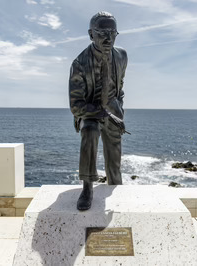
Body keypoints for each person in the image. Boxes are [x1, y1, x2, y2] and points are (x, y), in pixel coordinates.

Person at [69, 11, 128, 210]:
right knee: (90, 131)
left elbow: (120, 86)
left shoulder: (122, 56)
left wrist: (119, 110)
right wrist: (102, 113)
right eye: (102, 33)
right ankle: (87, 187)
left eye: (113, 32)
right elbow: (76, 105)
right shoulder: (79, 63)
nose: (108, 38)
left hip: (112, 108)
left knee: (114, 154)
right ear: (90, 34)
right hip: (89, 111)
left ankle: (115, 184)